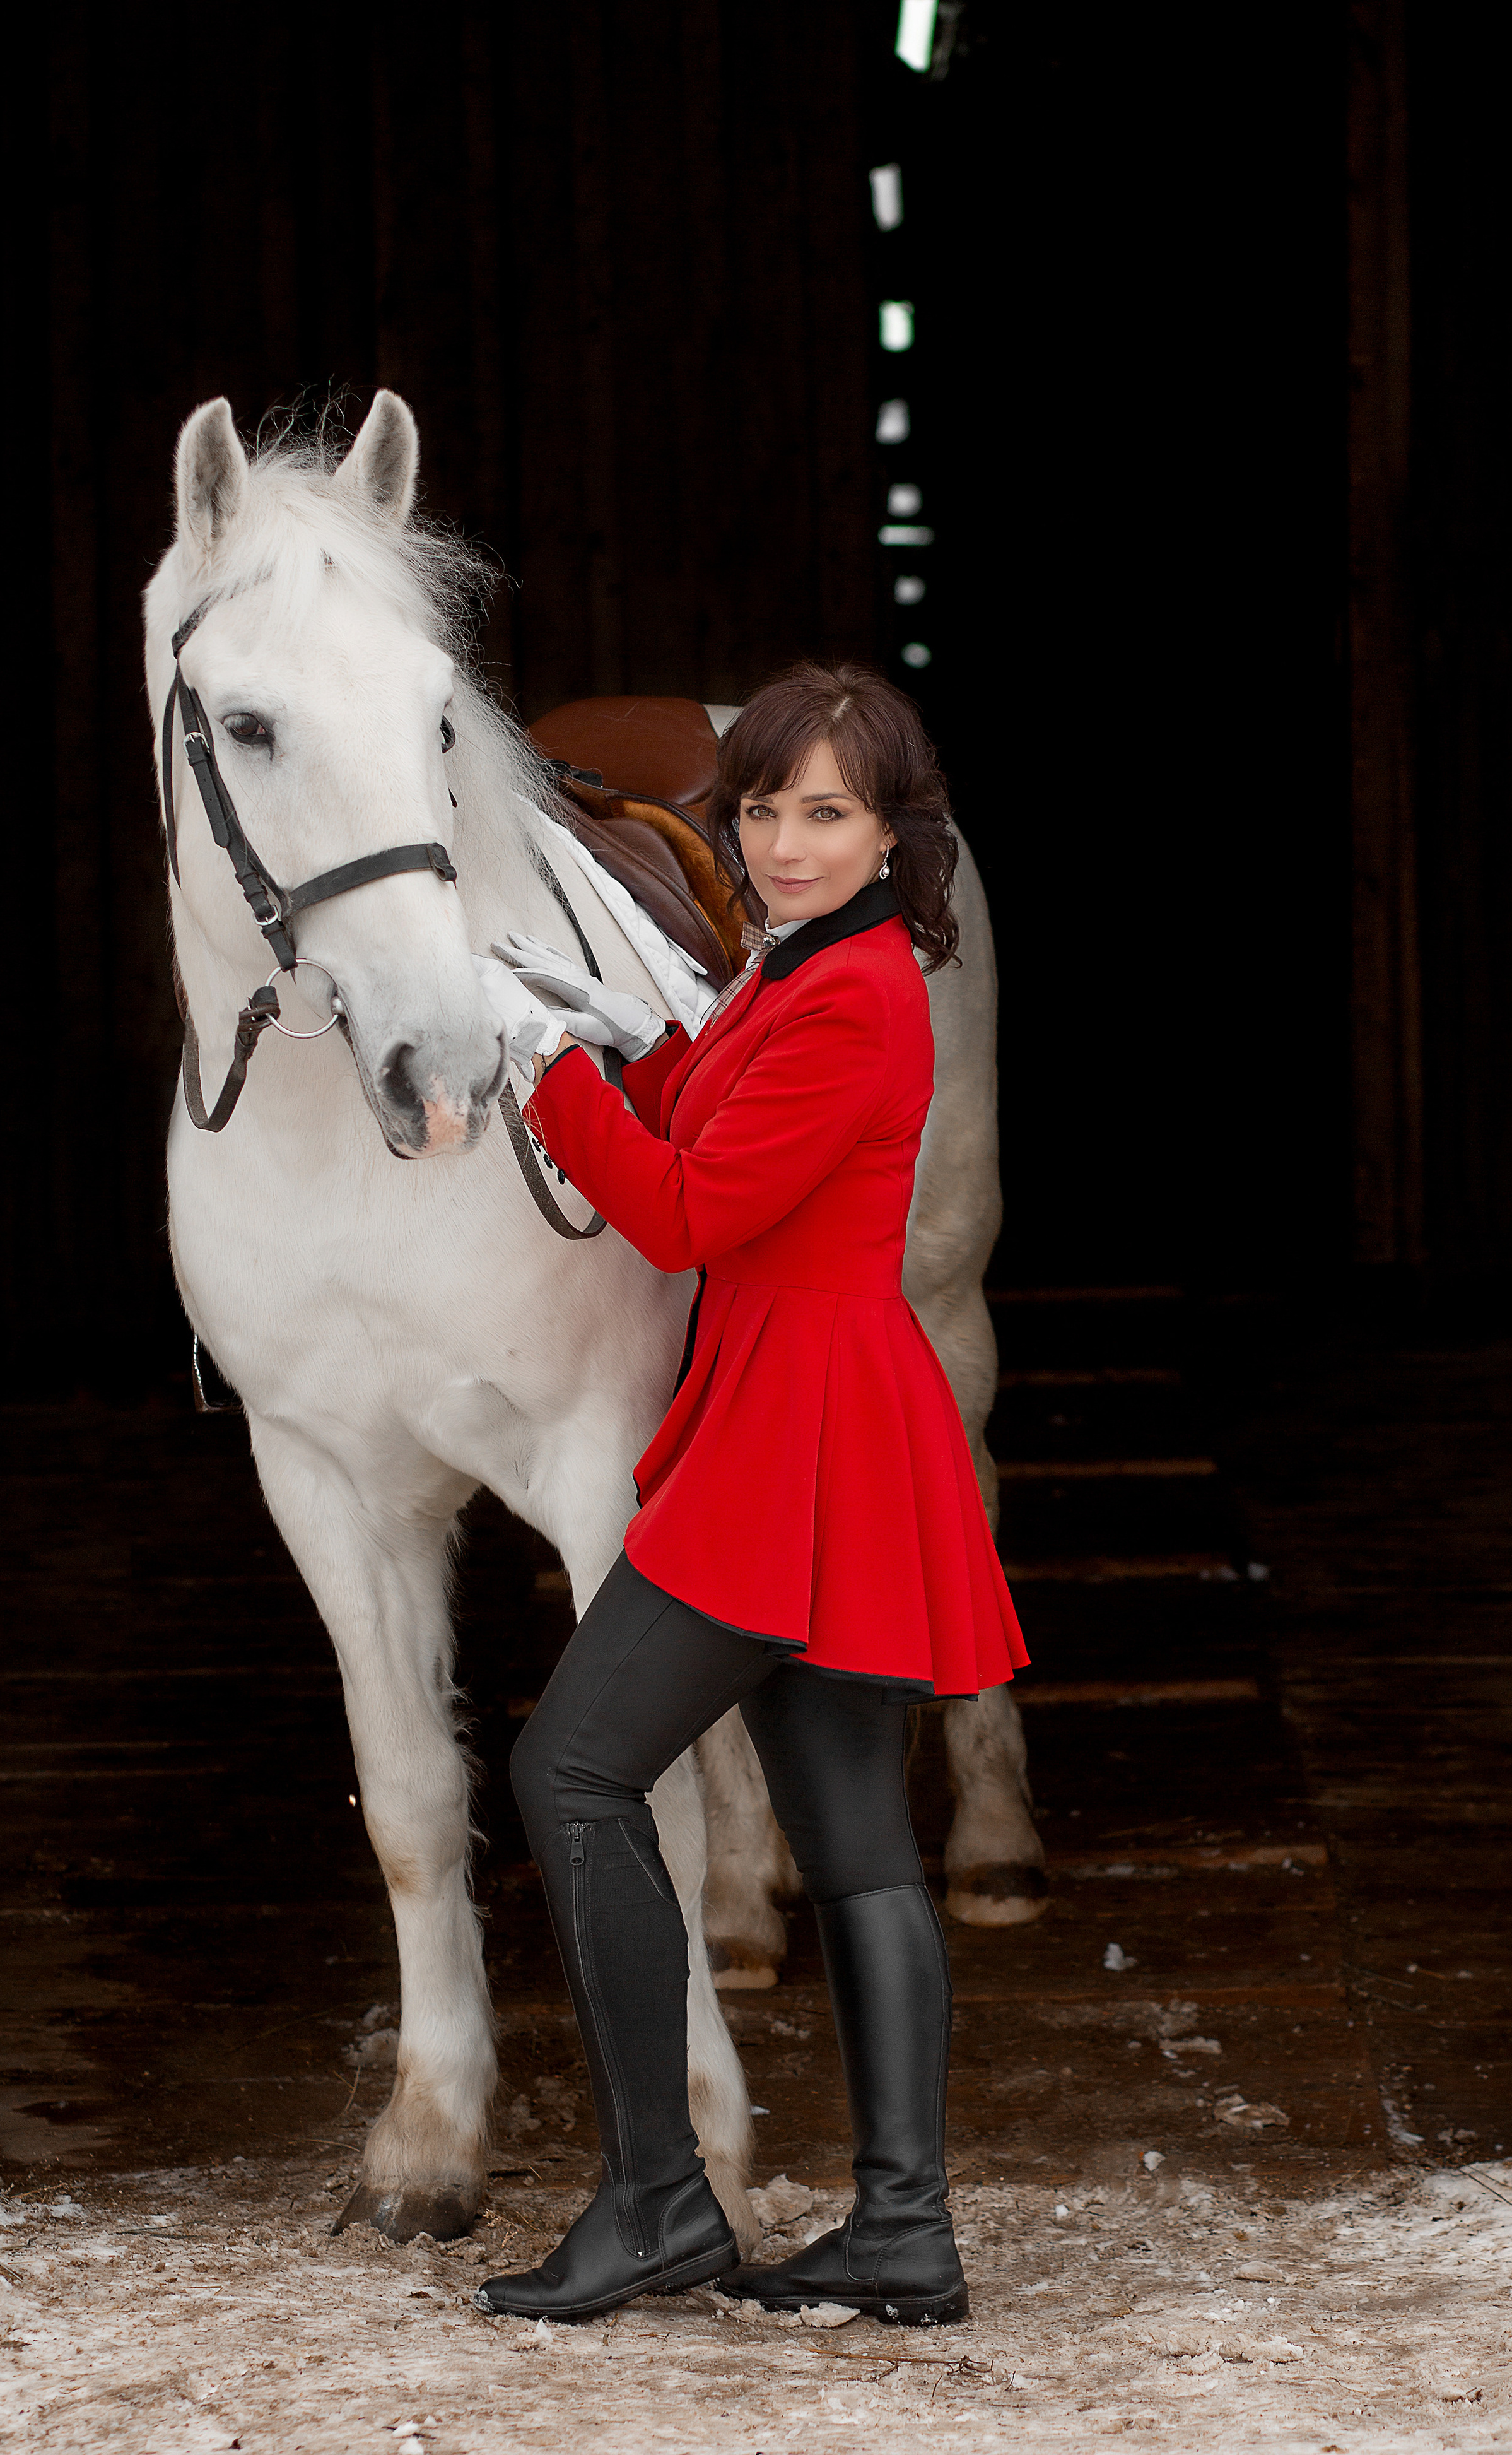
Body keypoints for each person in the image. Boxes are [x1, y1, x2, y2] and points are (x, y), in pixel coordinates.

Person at [471, 662, 1027, 2326]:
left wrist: (542, 1074)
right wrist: (608, 1044)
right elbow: (693, 1105)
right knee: (859, 1840)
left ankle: (655, 2202)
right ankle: (903, 2229)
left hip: (794, 1430)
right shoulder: (808, 969)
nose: (787, 841)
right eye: (769, 806)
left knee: (569, 1767)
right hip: (842, 1422)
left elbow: (689, 1211)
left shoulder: (857, 996)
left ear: (890, 832)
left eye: (828, 812)